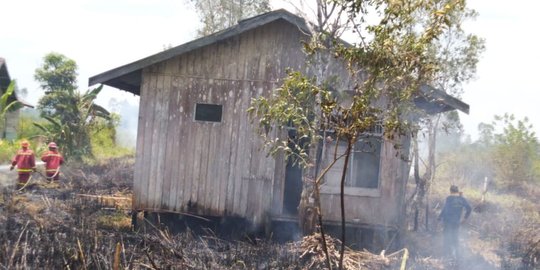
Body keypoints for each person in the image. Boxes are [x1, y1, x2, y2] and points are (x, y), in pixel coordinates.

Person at [438, 185, 472, 260]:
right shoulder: (462, 199)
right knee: (455, 239)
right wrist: (464, 219)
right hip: (456, 222)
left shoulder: (449, 198)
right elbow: (469, 209)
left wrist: (439, 217)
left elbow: (445, 209)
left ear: (450, 191)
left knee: (447, 239)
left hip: (447, 222)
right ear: (457, 191)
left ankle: (447, 257)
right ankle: (456, 257)